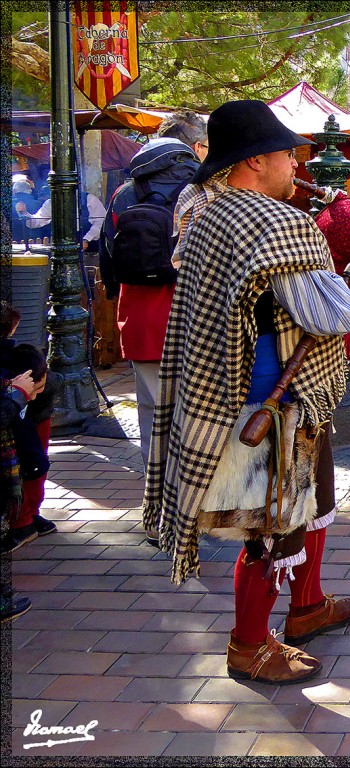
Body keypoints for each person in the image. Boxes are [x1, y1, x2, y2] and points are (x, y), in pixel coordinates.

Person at [142, 100, 350, 685]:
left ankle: (306, 607)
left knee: (312, 502)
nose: (294, 161)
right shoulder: (274, 221)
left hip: (238, 396)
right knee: (271, 526)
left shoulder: (206, 213)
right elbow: (326, 313)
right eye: (286, 152)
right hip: (274, 405)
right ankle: (249, 645)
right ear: (256, 161)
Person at [99, 136, 202, 536]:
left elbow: (109, 255)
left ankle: (160, 511)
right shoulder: (198, 192)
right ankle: (194, 507)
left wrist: (111, 291)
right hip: (193, 316)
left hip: (140, 318)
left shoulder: (124, 193)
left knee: (152, 415)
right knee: (196, 414)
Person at [0, 341, 52, 553]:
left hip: (28, 427)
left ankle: (26, 520)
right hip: (17, 415)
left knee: (30, 473)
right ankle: (25, 519)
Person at [11, 173, 40, 244]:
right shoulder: (39, 204)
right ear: (30, 191)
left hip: (14, 241)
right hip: (37, 241)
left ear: (14, 191)